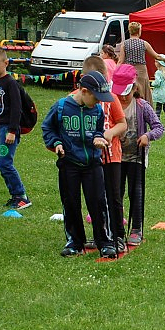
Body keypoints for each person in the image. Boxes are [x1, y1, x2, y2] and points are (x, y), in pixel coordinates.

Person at [41, 70, 118, 259]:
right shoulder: (61, 107)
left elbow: (99, 130)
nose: (98, 102)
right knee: (71, 203)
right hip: (69, 163)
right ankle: (74, 242)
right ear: (84, 91)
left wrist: (99, 138)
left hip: (93, 164)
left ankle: (105, 242)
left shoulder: (97, 110)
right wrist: (56, 143)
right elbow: (48, 128)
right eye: (96, 98)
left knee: (98, 202)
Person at [111, 64, 164, 246]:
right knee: (115, 193)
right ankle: (116, 227)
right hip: (115, 157)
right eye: (119, 92)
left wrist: (147, 136)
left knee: (136, 192)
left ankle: (136, 228)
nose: (123, 96)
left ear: (134, 88)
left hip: (136, 157)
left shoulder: (142, 106)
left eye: (126, 92)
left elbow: (159, 127)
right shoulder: (111, 104)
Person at [80, 55, 128, 253]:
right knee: (95, 197)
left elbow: (122, 124)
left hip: (111, 155)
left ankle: (118, 236)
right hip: (89, 156)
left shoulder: (111, 98)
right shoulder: (78, 98)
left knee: (113, 197)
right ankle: (100, 234)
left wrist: (109, 133)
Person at [0, 45, 31, 210]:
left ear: (6, 63)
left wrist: (12, 131)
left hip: (8, 130)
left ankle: (22, 196)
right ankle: (14, 196)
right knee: (1, 163)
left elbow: (16, 108)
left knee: (6, 163)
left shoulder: (11, 83)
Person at [117, 21, 165, 105]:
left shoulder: (124, 44)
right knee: (143, 90)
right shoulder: (144, 43)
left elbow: (120, 61)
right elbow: (157, 56)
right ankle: (144, 108)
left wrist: (116, 71)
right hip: (141, 70)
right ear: (138, 31)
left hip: (128, 70)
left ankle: (131, 106)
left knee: (130, 89)